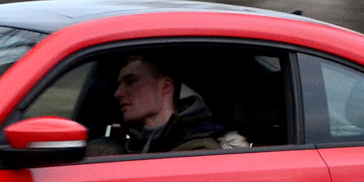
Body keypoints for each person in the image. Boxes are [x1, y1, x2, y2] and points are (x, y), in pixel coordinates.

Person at [86, 53, 250, 154]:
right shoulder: (133, 144)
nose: (118, 93)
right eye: (119, 84)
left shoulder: (201, 150)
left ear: (165, 87)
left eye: (131, 81)